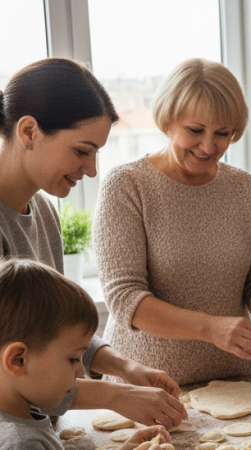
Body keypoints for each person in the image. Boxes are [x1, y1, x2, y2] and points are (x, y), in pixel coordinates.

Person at [0, 58, 186, 427]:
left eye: (97, 153)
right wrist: (118, 395)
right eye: (82, 151)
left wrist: (125, 367)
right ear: (28, 132)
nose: (91, 170)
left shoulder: (44, 211)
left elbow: (50, 326)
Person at [94, 58, 251, 386]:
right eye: (195, 130)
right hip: (147, 387)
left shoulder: (242, 187)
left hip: (237, 380)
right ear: (167, 120)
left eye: (223, 133)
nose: (208, 146)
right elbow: (125, 299)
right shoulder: (128, 185)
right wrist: (211, 328)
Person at [0, 259, 172, 450]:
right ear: (18, 359)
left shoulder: (24, 414)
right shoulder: (22, 443)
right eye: (73, 359)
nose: (82, 369)